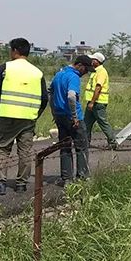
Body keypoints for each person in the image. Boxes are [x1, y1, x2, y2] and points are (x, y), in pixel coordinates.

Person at [0, 38, 48, 195]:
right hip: (28, 118)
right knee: (25, 151)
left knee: (2, 149)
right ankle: (21, 184)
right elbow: (44, 99)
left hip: (6, 115)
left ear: (15, 51)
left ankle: (0, 183)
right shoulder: (37, 72)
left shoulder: (5, 68)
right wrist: (35, 114)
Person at [50, 55, 96, 185]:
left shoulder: (59, 74)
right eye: (85, 70)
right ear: (79, 65)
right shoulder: (74, 77)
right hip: (73, 118)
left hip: (60, 116)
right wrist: (75, 116)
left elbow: (51, 93)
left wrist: (54, 111)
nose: (86, 73)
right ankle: (82, 177)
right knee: (81, 147)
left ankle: (66, 178)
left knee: (65, 147)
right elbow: (71, 96)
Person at [83, 52, 116, 148]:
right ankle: (85, 141)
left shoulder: (101, 72)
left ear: (98, 61)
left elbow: (98, 87)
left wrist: (92, 102)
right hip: (92, 102)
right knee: (86, 123)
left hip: (98, 102)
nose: (91, 61)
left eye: (93, 60)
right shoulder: (95, 71)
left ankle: (112, 142)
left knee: (102, 122)